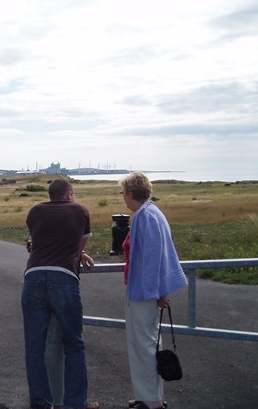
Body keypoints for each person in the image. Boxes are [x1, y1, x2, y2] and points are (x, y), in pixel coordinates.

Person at [22, 178, 99, 409]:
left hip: (33, 277)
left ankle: (41, 401)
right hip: (63, 279)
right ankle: (75, 403)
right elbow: (78, 245)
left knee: (34, 346)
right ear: (69, 195)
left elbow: (37, 242)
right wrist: (81, 254)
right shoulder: (80, 211)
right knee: (74, 344)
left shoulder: (35, 211)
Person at [120, 172, 187, 409]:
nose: (123, 198)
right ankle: (149, 395)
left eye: (123, 193)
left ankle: (150, 400)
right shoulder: (150, 212)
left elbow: (151, 259)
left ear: (130, 193)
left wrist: (157, 292)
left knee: (143, 344)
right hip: (145, 289)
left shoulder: (144, 216)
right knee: (149, 342)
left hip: (143, 290)